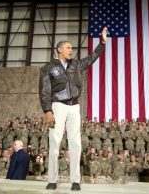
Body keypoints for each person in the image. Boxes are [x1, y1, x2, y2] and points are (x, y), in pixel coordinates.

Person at [39, 27, 107, 191]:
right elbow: (45, 90)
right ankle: (52, 180)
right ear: (59, 49)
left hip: (74, 107)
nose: (71, 50)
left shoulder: (76, 64)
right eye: (68, 47)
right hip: (57, 106)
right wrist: (47, 110)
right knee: (55, 142)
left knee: (75, 142)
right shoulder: (48, 68)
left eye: (71, 48)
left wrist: (102, 42)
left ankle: (75, 180)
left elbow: (92, 58)